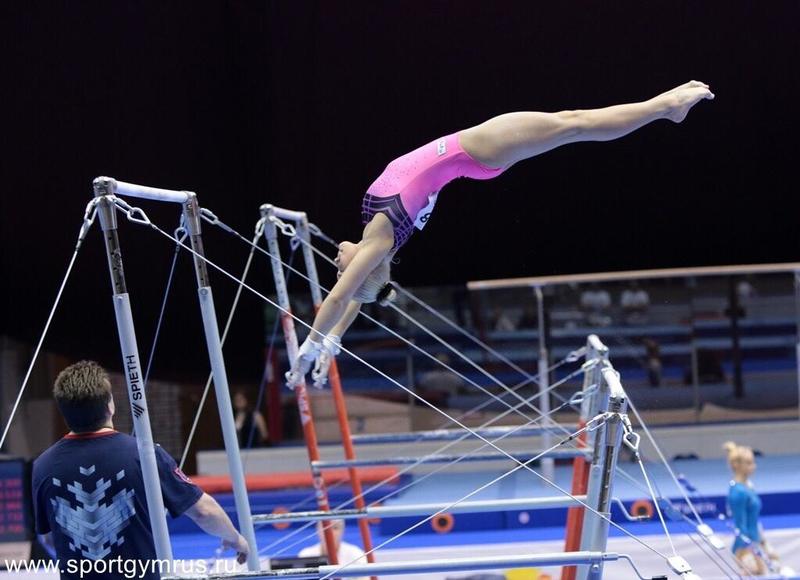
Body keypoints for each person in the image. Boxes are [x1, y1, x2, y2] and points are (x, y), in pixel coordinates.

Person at [287, 81, 714, 387]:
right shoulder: (380, 237)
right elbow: (342, 297)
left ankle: (662, 108)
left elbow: (351, 303)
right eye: (340, 269)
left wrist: (332, 340)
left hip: (473, 155)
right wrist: (309, 345)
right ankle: (664, 107)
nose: (336, 263)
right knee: (574, 124)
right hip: (475, 148)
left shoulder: (377, 237)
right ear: (362, 269)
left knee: (572, 125)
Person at [32, 361, 250, 579]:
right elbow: (204, 511)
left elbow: (49, 538)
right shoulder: (145, 455)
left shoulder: (42, 466)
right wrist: (234, 537)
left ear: (63, 411)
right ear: (110, 405)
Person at [723, 441, 789, 576]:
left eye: (753, 462)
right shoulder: (737, 492)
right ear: (736, 465)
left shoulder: (748, 486)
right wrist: (752, 552)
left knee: (776, 566)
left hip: (756, 540)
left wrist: (764, 544)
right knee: (760, 573)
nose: (754, 466)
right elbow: (740, 526)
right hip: (745, 546)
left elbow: (754, 521)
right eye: (749, 463)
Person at [298, 519, 367, 579]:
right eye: (325, 527)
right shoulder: (306, 554)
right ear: (318, 529)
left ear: (342, 531)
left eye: (335, 528)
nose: (329, 532)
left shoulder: (356, 553)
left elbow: (366, 578)